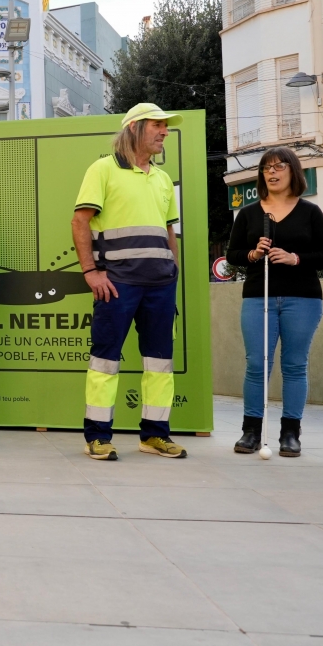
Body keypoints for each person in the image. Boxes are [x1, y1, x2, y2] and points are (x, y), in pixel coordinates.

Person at [72, 103, 185, 461]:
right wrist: (91, 272)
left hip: (160, 286)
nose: (164, 132)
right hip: (117, 284)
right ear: (134, 128)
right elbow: (80, 222)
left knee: (160, 363)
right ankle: (97, 437)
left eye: (166, 126)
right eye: (157, 125)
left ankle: (155, 435)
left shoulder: (163, 178)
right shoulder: (102, 169)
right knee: (105, 361)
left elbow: (169, 232)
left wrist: (173, 273)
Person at [226, 148, 323, 457]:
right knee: (256, 364)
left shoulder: (310, 212)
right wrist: (252, 254)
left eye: (279, 166)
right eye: (266, 169)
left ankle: (291, 433)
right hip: (257, 297)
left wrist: (294, 258)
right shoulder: (248, 214)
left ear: (293, 171)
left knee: (295, 365)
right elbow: (233, 257)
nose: (272, 173)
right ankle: (251, 431)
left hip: (302, 298)